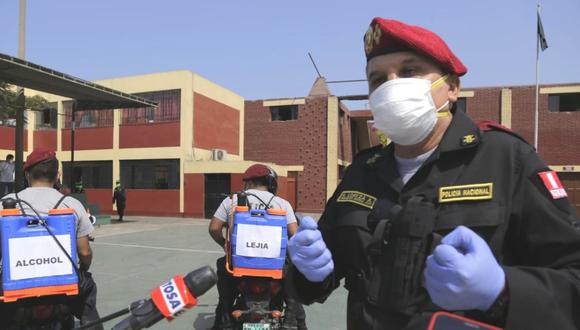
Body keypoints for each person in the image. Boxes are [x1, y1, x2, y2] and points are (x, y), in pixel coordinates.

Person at [287, 18, 580, 330]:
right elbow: (321, 279)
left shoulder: (508, 159)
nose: (391, 86)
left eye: (409, 71)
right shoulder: (363, 170)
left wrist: (504, 289)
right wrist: (309, 273)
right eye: (377, 79)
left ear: (452, 87)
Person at [0, 149, 104, 330]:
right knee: (87, 289)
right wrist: (81, 270)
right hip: (62, 286)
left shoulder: (6, 203)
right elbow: (85, 252)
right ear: (57, 176)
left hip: (16, 286)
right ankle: (91, 325)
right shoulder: (71, 204)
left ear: (26, 174)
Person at [208, 164, 306, 330]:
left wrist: (226, 247)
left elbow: (214, 228)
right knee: (293, 275)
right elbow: (295, 236)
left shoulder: (232, 200)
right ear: (271, 183)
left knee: (223, 272)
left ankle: (224, 317)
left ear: (248, 183)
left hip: (238, 267)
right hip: (275, 269)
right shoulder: (282, 203)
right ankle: (290, 318)